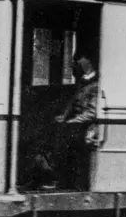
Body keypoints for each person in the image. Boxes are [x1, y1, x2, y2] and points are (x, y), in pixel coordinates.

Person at [34, 51, 101, 190]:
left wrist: (73, 121)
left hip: (87, 124)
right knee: (52, 131)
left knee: (64, 138)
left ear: (86, 60)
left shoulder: (96, 83)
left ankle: (59, 178)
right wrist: (64, 116)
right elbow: (73, 101)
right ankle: (49, 173)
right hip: (77, 121)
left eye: (76, 61)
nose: (73, 64)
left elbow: (92, 112)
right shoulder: (83, 80)